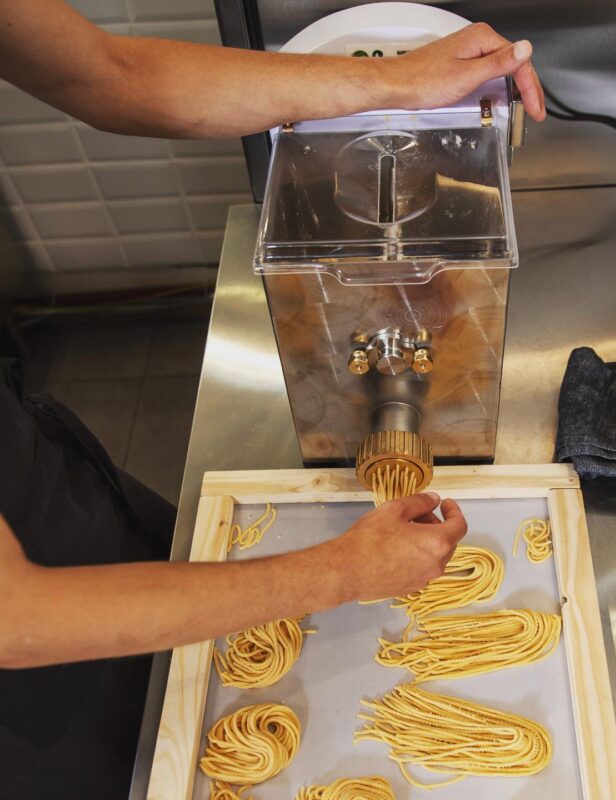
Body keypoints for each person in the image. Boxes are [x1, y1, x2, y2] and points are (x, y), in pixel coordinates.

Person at [0, 1, 546, 797]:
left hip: (39, 481)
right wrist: (340, 572)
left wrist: (396, 81)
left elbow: (109, 72)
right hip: (30, 707)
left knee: (187, 650)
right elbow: (18, 619)